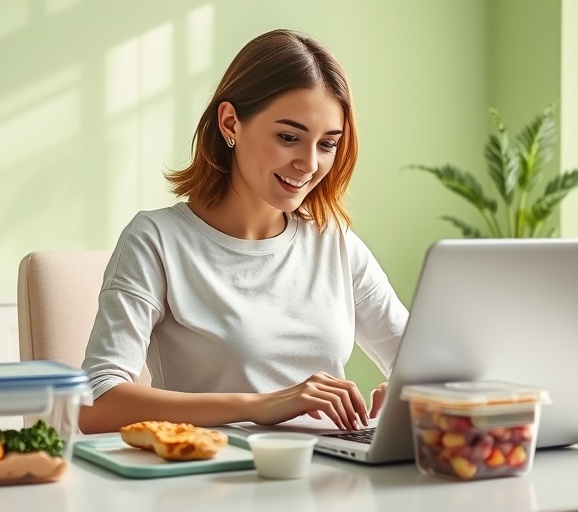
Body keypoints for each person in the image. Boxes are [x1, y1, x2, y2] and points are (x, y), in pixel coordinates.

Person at [79, 29, 409, 434]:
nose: (308, 164)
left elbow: (422, 365)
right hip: (214, 484)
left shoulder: (334, 243)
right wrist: (260, 405)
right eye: (289, 137)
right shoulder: (157, 240)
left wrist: (406, 395)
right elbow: (95, 400)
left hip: (328, 481)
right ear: (230, 122)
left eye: (327, 144)